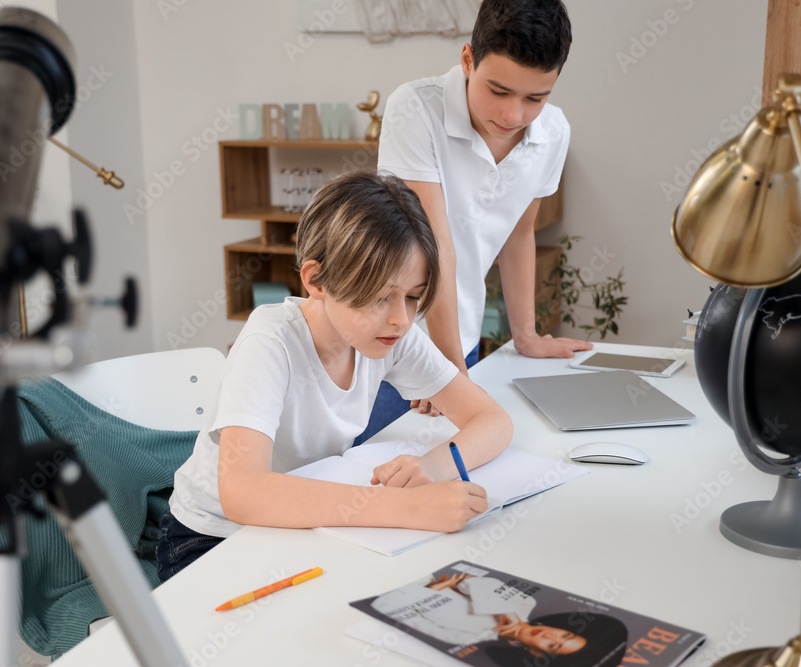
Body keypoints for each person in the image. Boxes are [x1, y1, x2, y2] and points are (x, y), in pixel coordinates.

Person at [157, 171, 513, 582]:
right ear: (316, 280)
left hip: (307, 526)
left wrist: (435, 466)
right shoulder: (270, 341)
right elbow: (242, 493)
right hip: (213, 539)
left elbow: (493, 420)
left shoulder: (390, 334)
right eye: (380, 296)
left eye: (414, 296)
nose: (401, 318)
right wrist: (410, 508)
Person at [357, 0, 592, 445]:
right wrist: (451, 378)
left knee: (448, 479)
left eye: (535, 98)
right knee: (368, 486)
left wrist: (525, 335)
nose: (513, 115)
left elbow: (519, 232)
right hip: (389, 339)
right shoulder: (416, 109)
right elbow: (431, 245)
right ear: (468, 60)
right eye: (498, 91)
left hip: (458, 335)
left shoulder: (553, 133)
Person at [370, 572, 628, 666]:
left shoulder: (464, 638)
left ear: (538, 654)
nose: (551, 636)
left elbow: (385, 604)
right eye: (565, 635)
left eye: (554, 646)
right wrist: (508, 614)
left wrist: (432, 590)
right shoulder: (525, 603)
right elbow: (477, 580)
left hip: (388, 581)